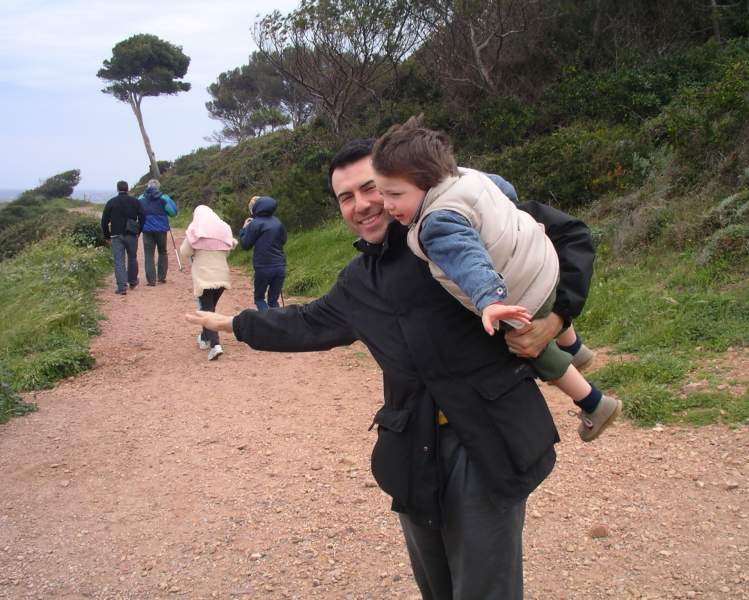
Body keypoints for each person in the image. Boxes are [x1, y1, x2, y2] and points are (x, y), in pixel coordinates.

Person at [186, 139, 594, 600]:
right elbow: (308, 322)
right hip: (411, 446)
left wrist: (555, 320)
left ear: (397, 182)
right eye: (346, 197)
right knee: (436, 588)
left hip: (488, 440)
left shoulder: (454, 224)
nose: (361, 205)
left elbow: (572, 237)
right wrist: (237, 324)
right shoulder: (358, 281)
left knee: (485, 590)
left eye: (370, 189)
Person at [371, 116, 621, 442]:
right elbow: (505, 188)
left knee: (529, 347)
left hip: (520, 295)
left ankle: (594, 403)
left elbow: (468, 262)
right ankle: (574, 347)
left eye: (395, 194)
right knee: (540, 292)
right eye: (382, 193)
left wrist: (489, 301)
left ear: (428, 182)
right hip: (543, 261)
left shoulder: (436, 225)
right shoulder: (465, 177)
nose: (387, 205)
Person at [486, 174, 595, 372]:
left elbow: (572, 236)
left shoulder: (485, 203)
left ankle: (573, 349)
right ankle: (573, 347)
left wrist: (557, 318)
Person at [180, 205, 237, 361]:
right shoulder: (224, 229)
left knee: (207, 310)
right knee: (209, 309)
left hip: (204, 278)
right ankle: (204, 339)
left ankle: (215, 345)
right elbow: (229, 248)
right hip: (222, 276)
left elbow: (185, 252)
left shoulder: (195, 230)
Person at [239, 196, 287, 311]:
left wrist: (244, 229)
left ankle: (266, 320)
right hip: (280, 266)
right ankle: (277, 320)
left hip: (263, 267)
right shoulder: (278, 222)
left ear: (257, 208)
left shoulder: (255, 224)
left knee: (259, 299)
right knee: (273, 300)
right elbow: (283, 240)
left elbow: (245, 245)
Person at [100, 180, 145, 295]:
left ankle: (121, 287)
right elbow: (143, 217)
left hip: (116, 235)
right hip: (131, 234)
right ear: (127, 189)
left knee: (119, 261)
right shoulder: (135, 201)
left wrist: (107, 236)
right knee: (132, 258)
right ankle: (133, 281)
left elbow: (104, 221)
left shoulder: (111, 202)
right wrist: (139, 230)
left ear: (117, 189)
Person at [138, 179, 177, 286]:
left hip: (147, 230)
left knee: (149, 254)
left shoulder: (141, 198)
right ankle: (161, 277)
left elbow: (137, 212)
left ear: (148, 186)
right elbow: (173, 212)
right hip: (161, 230)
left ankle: (151, 280)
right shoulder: (164, 197)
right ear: (158, 187)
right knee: (162, 252)